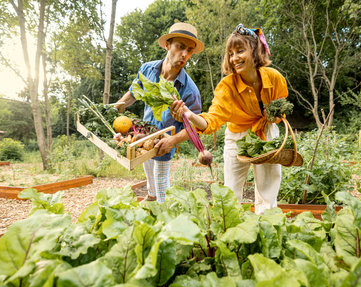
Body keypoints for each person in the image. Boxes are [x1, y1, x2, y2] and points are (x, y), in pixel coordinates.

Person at [171, 24, 288, 214]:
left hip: (266, 132)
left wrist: (273, 117)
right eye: (231, 53)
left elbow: (281, 106)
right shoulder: (227, 87)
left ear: (255, 51)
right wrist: (190, 115)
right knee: (231, 193)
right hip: (238, 137)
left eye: (240, 51)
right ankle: (231, 232)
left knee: (268, 191)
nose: (234, 58)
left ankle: (267, 228)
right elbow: (211, 121)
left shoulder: (274, 78)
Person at [114, 22, 204, 203]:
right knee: (150, 180)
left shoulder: (189, 90)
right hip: (144, 136)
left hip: (164, 141)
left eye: (189, 50)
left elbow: (195, 126)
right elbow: (133, 93)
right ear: (167, 45)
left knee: (161, 183)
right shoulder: (148, 69)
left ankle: (166, 221)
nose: (185, 54)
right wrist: (114, 108)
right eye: (180, 47)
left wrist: (173, 140)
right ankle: (151, 200)